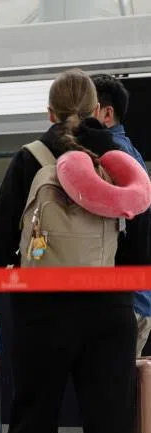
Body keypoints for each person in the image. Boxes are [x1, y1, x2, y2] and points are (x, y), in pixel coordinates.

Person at [0, 69, 151, 433]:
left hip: (43, 309)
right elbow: (141, 249)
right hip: (110, 310)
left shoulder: (30, 157)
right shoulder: (120, 162)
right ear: (99, 110)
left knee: (34, 421)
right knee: (108, 431)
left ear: (50, 112)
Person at [92, 73, 151, 357]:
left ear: (106, 112)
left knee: (118, 394)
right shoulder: (128, 152)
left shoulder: (114, 155)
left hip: (128, 301)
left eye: (85, 108)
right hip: (135, 296)